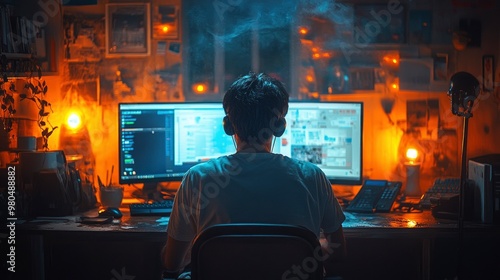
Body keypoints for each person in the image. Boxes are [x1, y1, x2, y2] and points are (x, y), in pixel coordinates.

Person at [161, 72, 346, 277]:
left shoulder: (197, 178)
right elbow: (337, 252)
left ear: (228, 126)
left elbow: (171, 264)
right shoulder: (312, 176)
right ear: (279, 127)